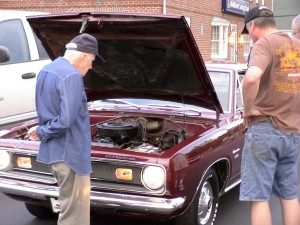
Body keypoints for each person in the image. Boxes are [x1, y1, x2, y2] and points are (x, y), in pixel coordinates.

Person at [27, 33, 104, 225]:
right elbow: (66, 120)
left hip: (56, 154)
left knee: (67, 207)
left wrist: (41, 130)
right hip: (72, 155)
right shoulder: (71, 76)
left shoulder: (47, 70)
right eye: (92, 61)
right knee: (75, 216)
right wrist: (41, 132)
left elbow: (45, 111)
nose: (91, 66)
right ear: (84, 56)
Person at [240, 6, 300, 225]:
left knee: (258, 197)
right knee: (289, 195)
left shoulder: (264, 43)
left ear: (252, 26)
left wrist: (248, 110)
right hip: (293, 131)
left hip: (265, 129)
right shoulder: (296, 44)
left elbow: (251, 78)